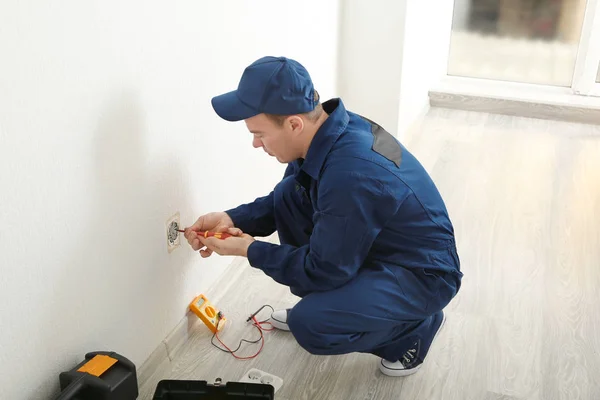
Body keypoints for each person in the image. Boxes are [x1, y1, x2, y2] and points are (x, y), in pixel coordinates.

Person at [184, 56, 462, 376]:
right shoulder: (334, 129)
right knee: (290, 194)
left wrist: (248, 249)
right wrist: (233, 219)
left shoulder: (351, 172)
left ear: (293, 124)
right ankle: (342, 304)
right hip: (380, 240)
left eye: (259, 133)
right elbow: (286, 198)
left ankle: (414, 330)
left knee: (311, 324)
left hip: (423, 274)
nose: (255, 143)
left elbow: (323, 271)